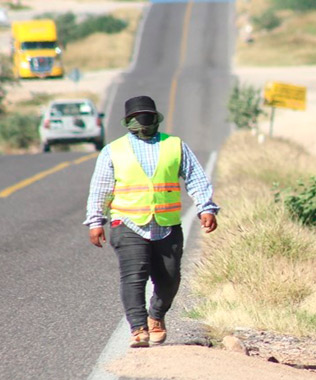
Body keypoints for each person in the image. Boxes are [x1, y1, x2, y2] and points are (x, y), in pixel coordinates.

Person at [84, 95, 220, 348]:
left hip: (166, 224)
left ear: (156, 118)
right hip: (127, 222)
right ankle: (138, 328)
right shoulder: (113, 151)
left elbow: (196, 179)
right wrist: (95, 222)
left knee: (170, 278)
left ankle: (156, 315)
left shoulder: (175, 145)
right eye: (137, 118)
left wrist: (206, 208)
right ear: (128, 122)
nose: (143, 122)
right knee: (134, 276)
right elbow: (100, 189)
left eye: (147, 116)